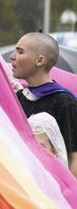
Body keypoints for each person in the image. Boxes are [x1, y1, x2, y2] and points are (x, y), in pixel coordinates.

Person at [11, 32, 77, 175]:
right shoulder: (17, 98)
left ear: (40, 61)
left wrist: (69, 194)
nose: (12, 56)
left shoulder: (64, 102)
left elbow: (74, 158)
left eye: (20, 51)